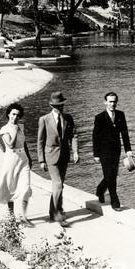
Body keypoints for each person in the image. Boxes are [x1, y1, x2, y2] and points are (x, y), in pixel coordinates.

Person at [37, 91, 79, 228]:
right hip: (50, 156)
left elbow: (74, 136)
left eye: (61, 105)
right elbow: (40, 141)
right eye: (57, 106)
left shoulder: (68, 118)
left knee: (58, 186)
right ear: (52, 105)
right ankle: (58, 214)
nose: (60, 108)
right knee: (58, 184)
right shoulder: (44, 119)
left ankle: (52, 211)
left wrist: (75, 152)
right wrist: (41, 160)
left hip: (64, 156)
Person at [93, 91, 133, 211]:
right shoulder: (99, 117)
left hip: (116, 150)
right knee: (110, 175)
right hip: (104, 151)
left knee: (112, 174)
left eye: (114, 101)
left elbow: (124, 134)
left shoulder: (121, 115)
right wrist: (96, 154)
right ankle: (115, 201)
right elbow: (95, 137)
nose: (112, 104)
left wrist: (128, 150)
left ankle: (100, 190)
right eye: (110, 101)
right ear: (105, 102)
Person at [0, 103, 33, 226]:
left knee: (26, 187)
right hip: (11, 159)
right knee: (10, 188)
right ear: (8, 114)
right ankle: (11, 217)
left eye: (17, 115)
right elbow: (10, 145)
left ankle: (23, 217)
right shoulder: (4, 129)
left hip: (23, 159)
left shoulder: (21, 127)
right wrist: (16, 131)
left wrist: (29, 158)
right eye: (13, 114)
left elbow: (24, 143)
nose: (15, 117)